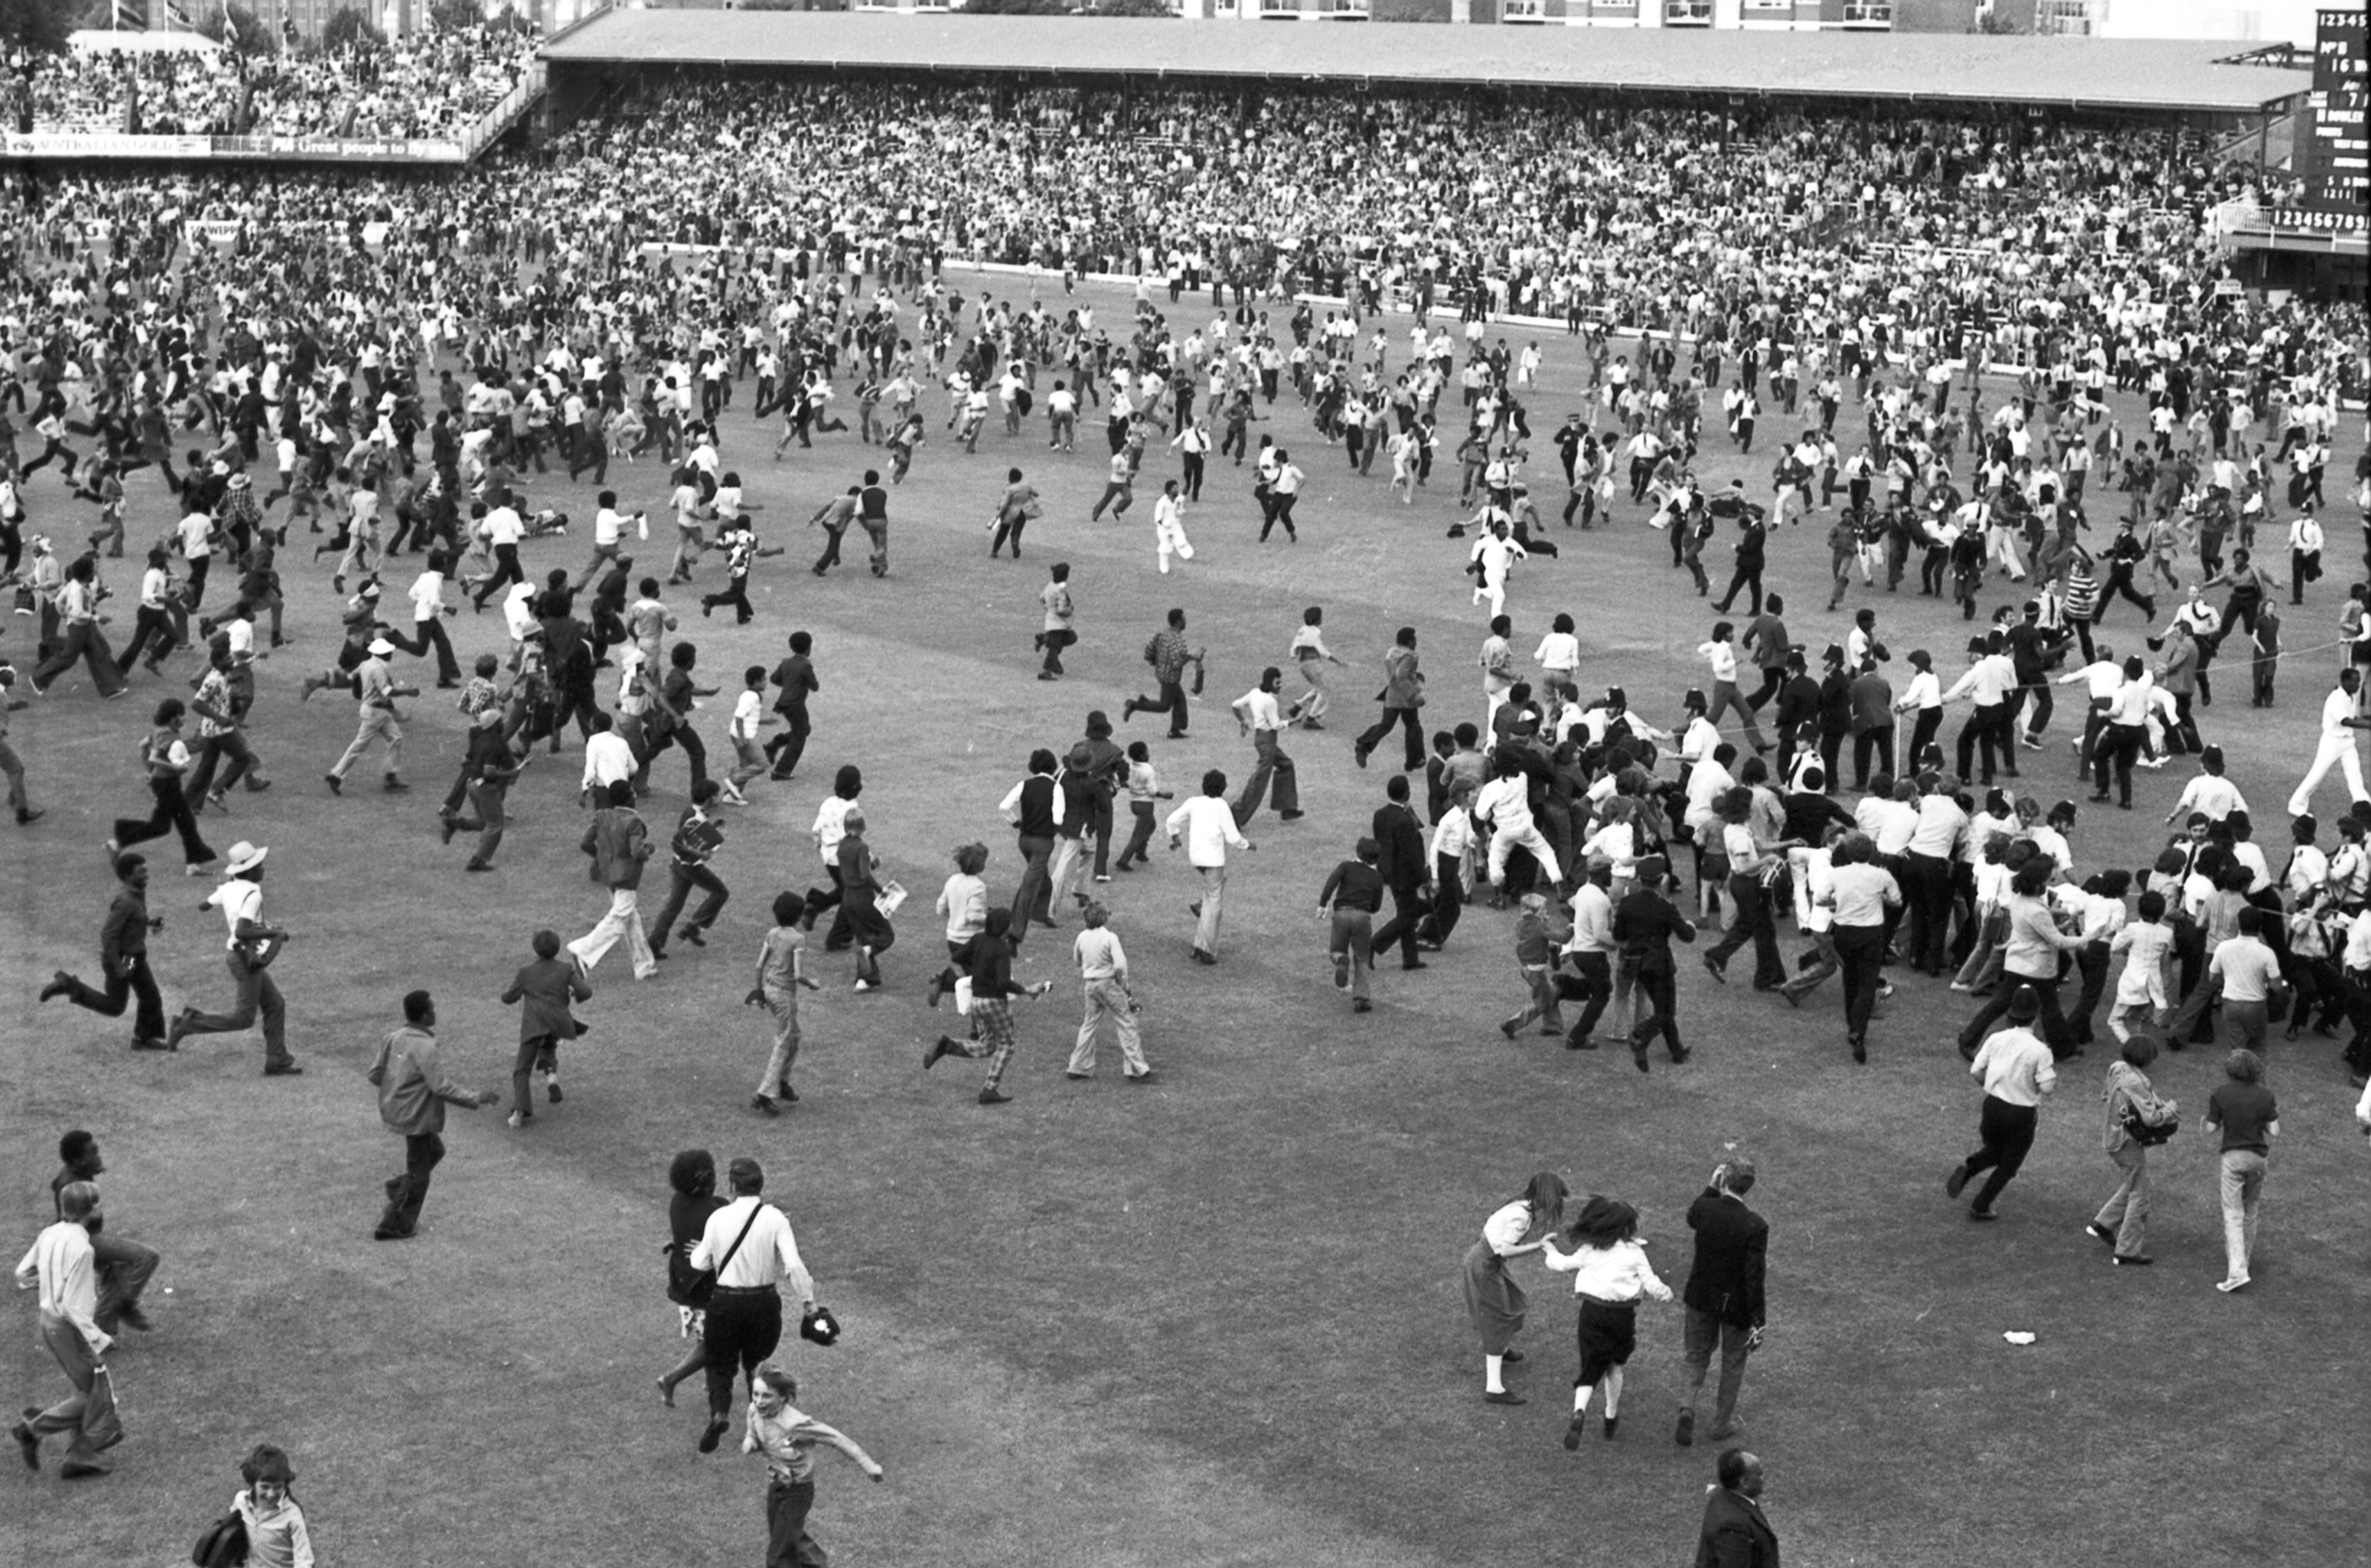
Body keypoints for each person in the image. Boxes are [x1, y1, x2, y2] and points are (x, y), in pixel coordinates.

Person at [689, 1157, 824, 1453]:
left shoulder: (718, 1218)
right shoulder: (775, 1218)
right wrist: (809, 1304)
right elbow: (793, 1266)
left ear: (733, 1187)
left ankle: (720, 1413)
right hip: (763, 1303)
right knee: (756, 1364)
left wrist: (697, 1253)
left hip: (725, 1302)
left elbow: (699, 1262)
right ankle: (764, 1427)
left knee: (720, 1365)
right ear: (760, 1186)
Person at [1542, 1195, 1672, 1447]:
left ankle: (1579, 1411)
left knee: (1590, 1366)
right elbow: (1652, 1283)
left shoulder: (1591, 1249)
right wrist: (1666, 1294)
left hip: (1592, 1314)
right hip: (1622, 1317)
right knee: (1615, 1365)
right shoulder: (1635, 1252)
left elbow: (1563, 1264)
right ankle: (1610, 1416)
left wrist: (1550, 1251)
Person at [10, 1182, 121, 1479]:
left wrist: (46, 1284)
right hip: (69, 1328)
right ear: (91, 1210)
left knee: (87, 1388)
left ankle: (80, 1455)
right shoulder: (83, 1249)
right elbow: (75, 1306)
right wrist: (100, 1338)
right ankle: (34, 1429)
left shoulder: (50, 1233)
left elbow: (22, 1272)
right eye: (97, 1203)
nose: (100, 1208)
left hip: (48, 1321)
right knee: (97, 1395)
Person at [366, 990, 496, 1241]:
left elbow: (374, 1074)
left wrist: (398, 1087)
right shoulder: (426, 1046)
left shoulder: (393, 1037)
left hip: (395, 1111)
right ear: (425, 1015)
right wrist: (477, 1097)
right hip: (416, 1117)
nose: (435, 1012)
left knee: (434, 1152)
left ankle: (398, 1188)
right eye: (432, 1009)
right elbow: (440, 1087)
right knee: (420, 1173)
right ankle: (395, 1223)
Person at [166, 842, 296, 1073]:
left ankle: (277, 1059)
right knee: (243, 1019)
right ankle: (186, 1025)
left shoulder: (229, 888)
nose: (263, 869)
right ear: (250, 871)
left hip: (237, 955)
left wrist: (228, 894)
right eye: (259, 866)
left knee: (275, 1004)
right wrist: (273, 932)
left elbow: (203, 906)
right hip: (245, 957)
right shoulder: (253, 893)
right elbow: (242, 931)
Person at [741, 1364, 885, 1568]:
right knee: (791, 1539)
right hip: (776, 1485)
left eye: (766, 1396)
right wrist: (751, 1441)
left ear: (782, 1397)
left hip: (798, 1491)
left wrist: (867, 1464)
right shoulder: (754, 1410)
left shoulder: (795, 1423)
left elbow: (835, 1437)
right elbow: (753, 1431)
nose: (758, 1401)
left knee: (777, 1556)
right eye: (755, 1394)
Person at [1946, 986, 2057, 1221]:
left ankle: (1971, 1168)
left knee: (1996, 1150)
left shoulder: (1996, 1038)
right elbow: (2047, 1088)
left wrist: (1993, 1086)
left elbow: (1976, 1070)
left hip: (1993, 1105)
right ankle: (1981, 1205)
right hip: (2021, 1112)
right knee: (2009, 1163)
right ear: (2035, 1016)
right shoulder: (2039, 1050)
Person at [1677, 1159, 1766, 1448]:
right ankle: (1720, 1423)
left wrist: (1710, 1187)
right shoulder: (1755, 1225)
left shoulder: (1706, 1208)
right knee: (1733, 1363)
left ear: (1724, 1180)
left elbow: (1692, 1217)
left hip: (1700, 1297)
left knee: (1696, 1356)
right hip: (1736, 1305)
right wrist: (1758, 1319)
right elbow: (1754, 1276)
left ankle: (1687, 1408)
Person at [924, 908, 1056, 1102]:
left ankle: (947, 1045)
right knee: (1007, 1045)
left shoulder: (978, 939)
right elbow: (1003, 983)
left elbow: (957, 957)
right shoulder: (1002, 949)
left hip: (976, 1001)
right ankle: (989, 1089)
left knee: (987, 1046)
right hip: (995, 1003)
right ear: (1004, 928)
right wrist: (1026, 990)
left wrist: (979, 966)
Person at [1461, 1172, 1568, 1405]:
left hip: (1485, 1261)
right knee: (1497, 1317)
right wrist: (1539, 1245)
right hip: (1486, 1265)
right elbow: (1504, 1251)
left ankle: (1502, 1349)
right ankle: (1494, 1388)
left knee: (1513, 1301)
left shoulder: (1519, 1204)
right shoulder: (1521, 1217)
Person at [41, 853, 168, 1050]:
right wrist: (119, 966)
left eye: (146, 870)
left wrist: (151, 922)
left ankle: (144, 1038)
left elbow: (134, 919)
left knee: (150, 996)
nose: (146, 875)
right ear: (127, 876)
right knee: (115, 1006)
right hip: (124, 958)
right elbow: (108, 936)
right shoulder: (125, 902)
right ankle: (69, 985)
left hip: (133, 957)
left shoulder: (136, 894)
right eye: (141, 872)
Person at [46, 1131, 159, 1337]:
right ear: (78, 1160)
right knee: (147, 1257)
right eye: (92, 1153)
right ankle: (125, 1306)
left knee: (116, 1271)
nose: (98, 1157)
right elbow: (76, 1220)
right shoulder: (75, 1185)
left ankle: (101, 1331)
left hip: (77, 1240)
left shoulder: (73, 1174)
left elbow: (57, 1186)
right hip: (83, 1241)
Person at [2090, 1035, 2177, 1266]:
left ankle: (2104, 1223)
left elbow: (2106, 1096)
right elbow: (2150, 1119)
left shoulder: (2117, 1068)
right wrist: (2169, 1110)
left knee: (2135, 1183)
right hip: (2127, 1142)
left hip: (2112, 1135)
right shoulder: (2136, 1082)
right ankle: (2127, 1249)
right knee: (2141, 1194)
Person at [497, 929, 591, 1129]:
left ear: (535, 950)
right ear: (557, 949)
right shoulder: (565, 969)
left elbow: (509, 997)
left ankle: (519, 1112)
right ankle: (551, 1077)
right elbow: (585, 991)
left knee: (522, 1069)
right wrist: (574, 993)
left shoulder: (526, 973)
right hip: (559, 1023)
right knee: (548, 1045)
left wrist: (506, 996)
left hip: (534, 1025)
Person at [2204, 1048, 2279, 1293]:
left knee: (2233, 1214)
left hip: (2233, 1159)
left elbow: (2211, 1128)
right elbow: (2275, 1131)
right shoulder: (2266, 1095)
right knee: (2251, 1210)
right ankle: (2243, 1261)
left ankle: (2237, 1272)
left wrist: (2206, 1121)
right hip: (2258, 1159)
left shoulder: (2220, 1094)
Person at [570, 779, 659, 982]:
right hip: (626, 876)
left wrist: (602, 858)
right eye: (632, 793)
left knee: (631, 920)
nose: (635, 796)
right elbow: (637, 851)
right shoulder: (633, 821)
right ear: (629, 797)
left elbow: (585, 842)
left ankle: (643, 965)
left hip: (607, 873)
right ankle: (583, 951)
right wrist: (649, 850)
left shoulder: (601, 815)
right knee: (619, 918)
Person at [658, 1149, 726, 1409]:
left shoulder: (679, 1201)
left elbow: (718, 1204)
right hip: (704, 1289)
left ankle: (711, 1380)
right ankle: (671, 1378)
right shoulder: (713, 1216)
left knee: (707, 1336)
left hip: (684, 1285)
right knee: (717, 1341)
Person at [1615, 855, 1697, 1071]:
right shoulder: (1665, 906)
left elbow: (1619, 934)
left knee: (1662, 1007)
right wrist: (1689, 925)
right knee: (1666, 1011)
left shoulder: (1627, 903)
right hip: (1660, 962)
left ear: (1640, 879)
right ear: (1660, 880)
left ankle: (1676, 1050)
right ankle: (1640, 1036)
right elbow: (1687, 935)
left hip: (1637, 963)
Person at [746, 891, 822, 1115]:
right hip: (784, 996)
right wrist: (812, 983)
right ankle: (765, 1094)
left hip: (769, 990)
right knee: (783, 1042)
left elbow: (759, 965)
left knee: (794, 1038)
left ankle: (781, 1082)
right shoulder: (797, 939)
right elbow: (798, 975)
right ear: (799, 916)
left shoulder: (772, 934)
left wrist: (758, 993)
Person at [1167, 768, 1252, 963]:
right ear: (1223, 788)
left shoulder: (1193, 802)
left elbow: (1172, 820)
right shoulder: (1221, 806)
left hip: (1196, 857)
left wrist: (1175, 836)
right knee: (1215, 903)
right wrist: (1247, 845)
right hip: (1213, 858)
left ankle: (1200, 923)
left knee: (1212, 894)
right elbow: (1232, 837)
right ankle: (1204, 947)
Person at [1068, 901, 1152, 1080]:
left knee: (1089, 1024)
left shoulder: (1082, 936)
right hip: (1109, 984)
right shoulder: (1110, 938)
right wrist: (1127, 991)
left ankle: (1078, 1066)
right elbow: (1120, 967)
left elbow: (1077, 961)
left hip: (1090, 985)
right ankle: (1137, 1068)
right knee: (1126, 1022)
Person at [1319, 836, 1386, 1013]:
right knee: (1362, 957)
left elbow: (1331, 883)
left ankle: (1341, 959)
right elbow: (1376, 906)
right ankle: (1361, 998)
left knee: (1336, 950)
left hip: (1341, 913)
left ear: (1358, 852)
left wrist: (1323, 904)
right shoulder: (1377, 877)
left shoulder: (1346, 867)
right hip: (1362, 917)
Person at [1229, 666, 1302, 826]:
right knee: (1259, 783)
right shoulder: (1270, 701)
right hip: (1268, 741)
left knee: (1287, 765)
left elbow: (1236, 705)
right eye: (1277, 683)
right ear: (1270, 683)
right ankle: (1234, 818)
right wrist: (1294, 721)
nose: (1280, 686)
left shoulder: (1255, 693)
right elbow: (1276, 725)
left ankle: (1287, 808)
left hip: (1261, 739)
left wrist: (1242, 721)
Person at [1354, 626, 1427, 772]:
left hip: (1392, 694)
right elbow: (1401, 675)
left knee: (1386, 725)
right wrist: (1413, 693)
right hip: (1406, 698)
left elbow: (1396, 673)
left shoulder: (1392, 652)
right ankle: (1413, 760)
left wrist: (1414, 674)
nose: (1416, 642)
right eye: (1414, 639)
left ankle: (1364, 745)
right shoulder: (1410, 655)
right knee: (1413, 726)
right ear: (1410, 641)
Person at [229, 1443, 315, 1568]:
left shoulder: (292, 1515)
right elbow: (232, 1534)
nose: (271, 1494)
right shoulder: (241, 1502)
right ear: (253, 1482)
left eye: (278, 1487)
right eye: (265, 1487)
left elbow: (304, 1561)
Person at [1694, 1449, 1781, 1568]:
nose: (1763, 1479)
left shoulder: (1722, 1497)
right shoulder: (1733, 1525)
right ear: (1744, 1482)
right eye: (1759, 1474)